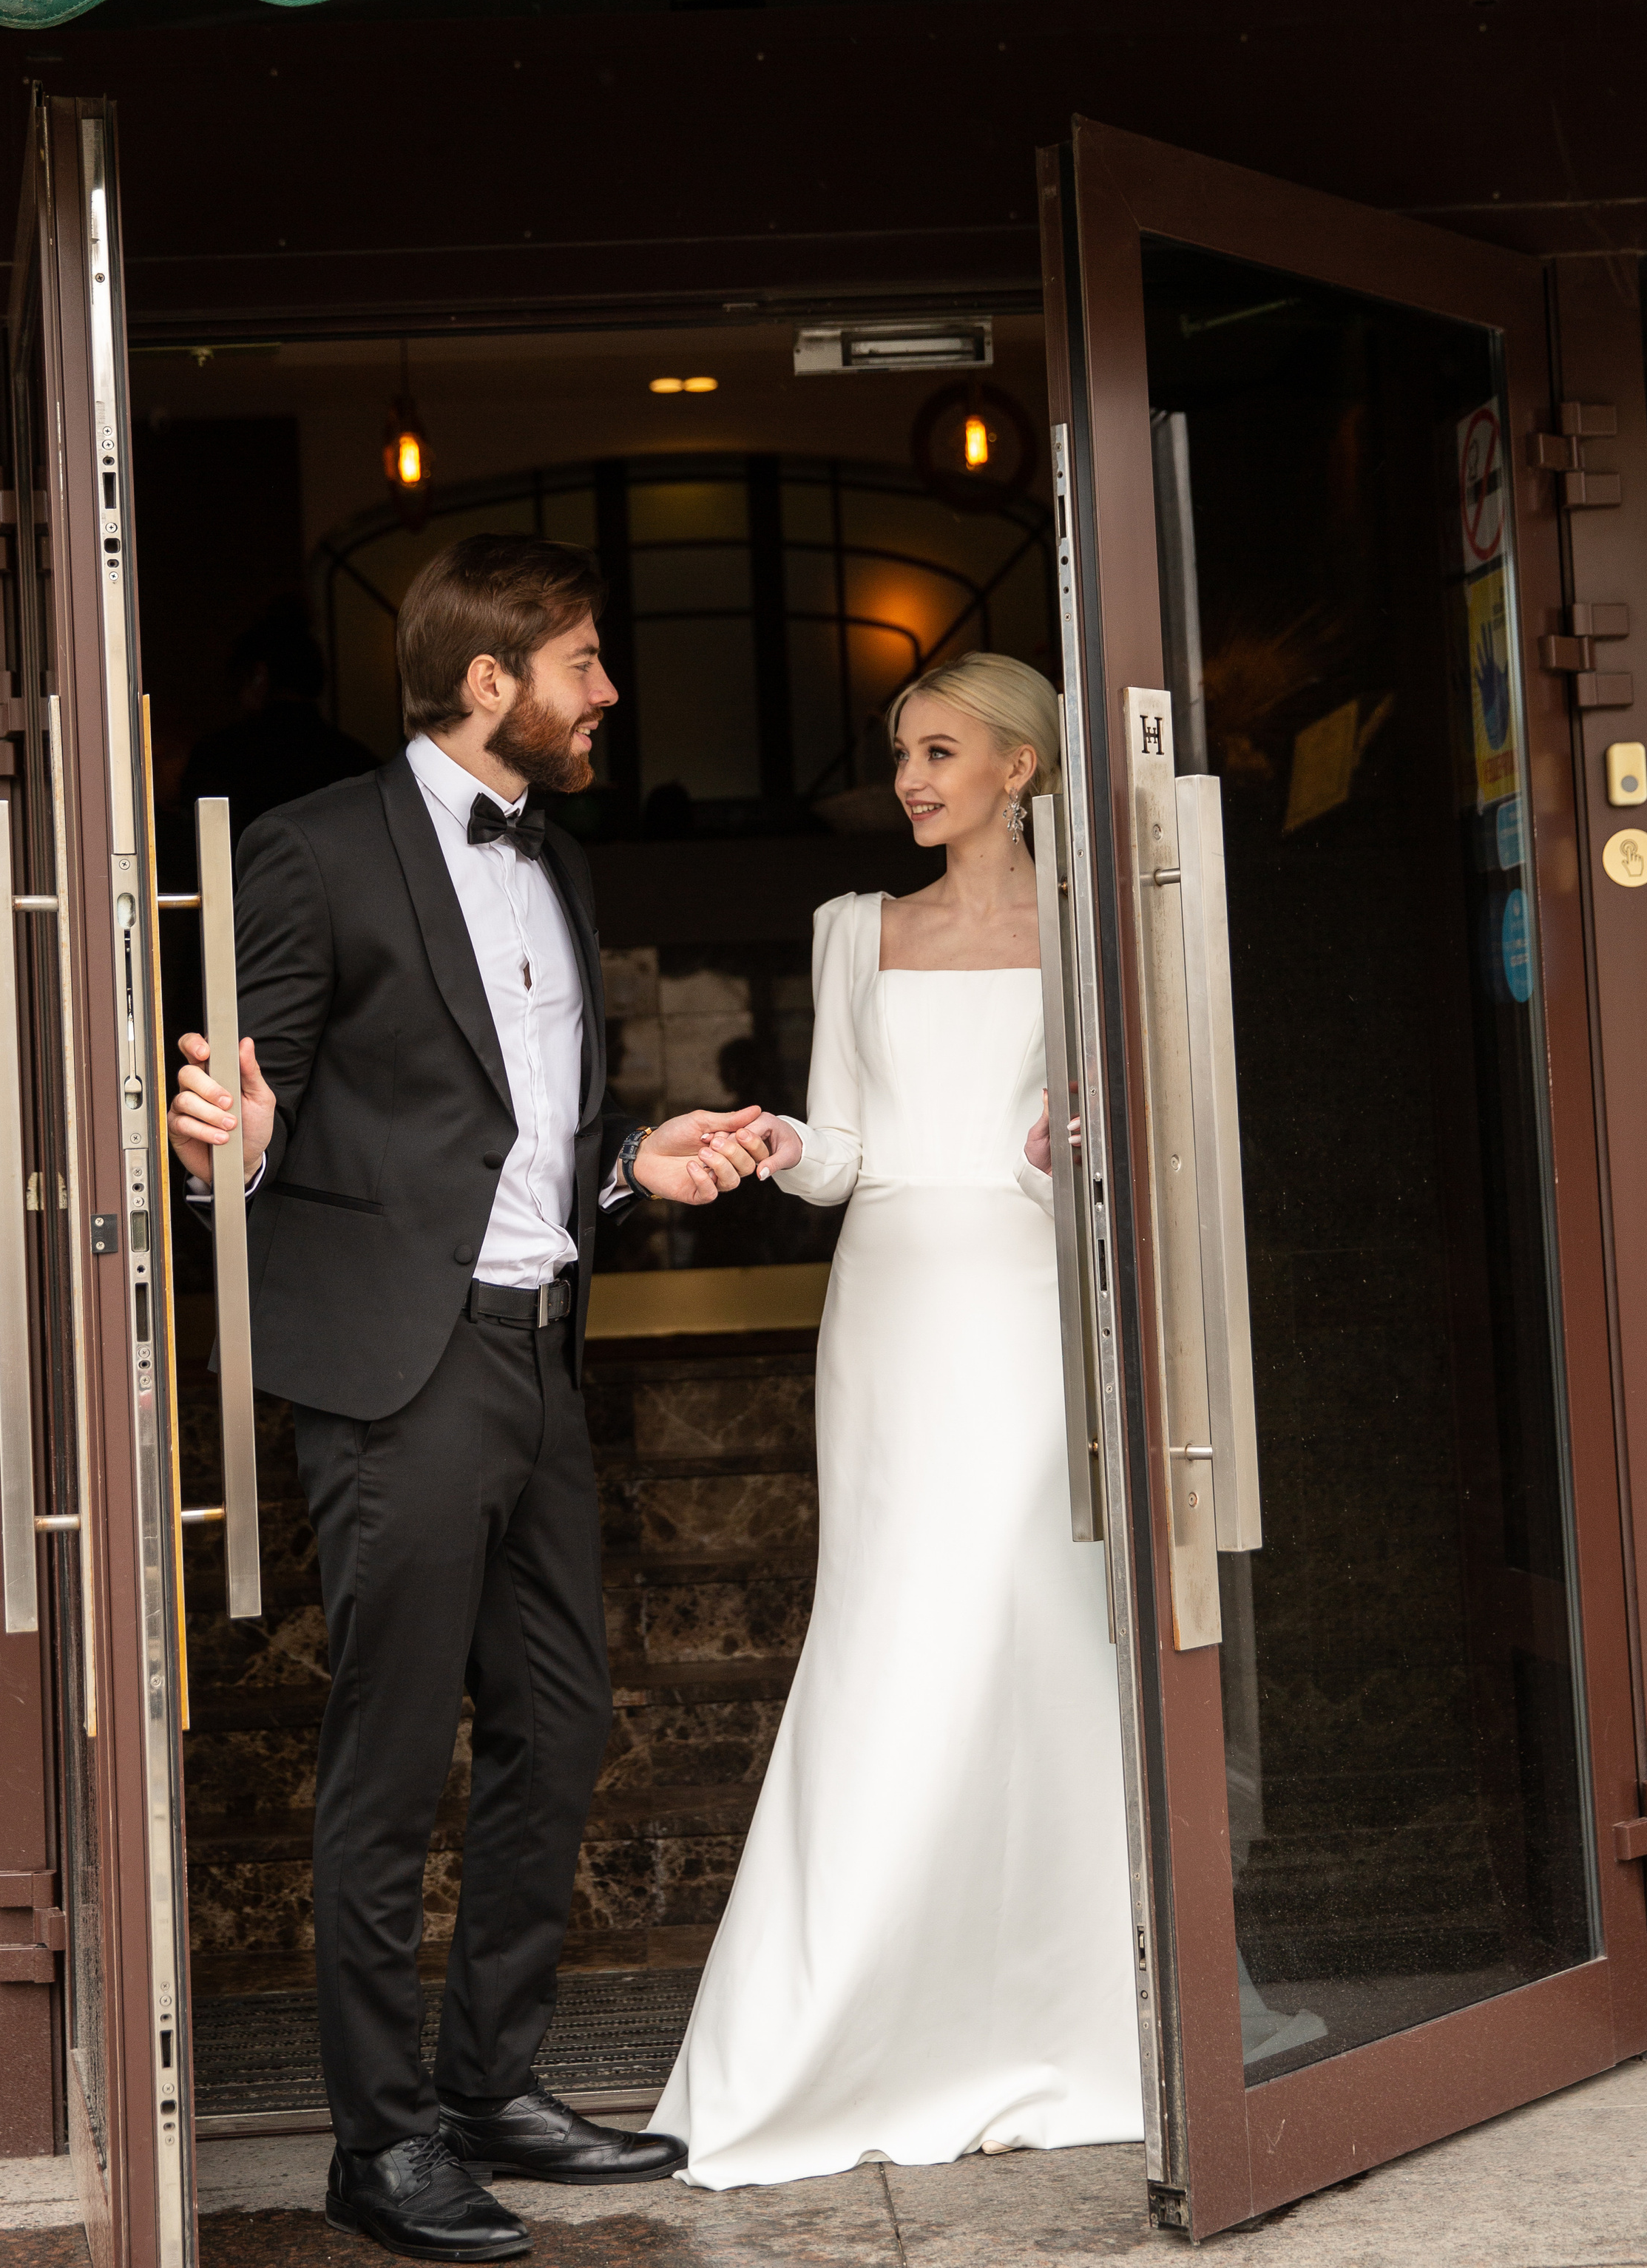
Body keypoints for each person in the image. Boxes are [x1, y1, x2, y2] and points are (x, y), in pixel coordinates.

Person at [168, 535, 771, 2264]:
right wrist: (233, 1132)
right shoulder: (312, 850)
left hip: (534, 1344)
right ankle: (378, 2145)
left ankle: (490, 2080)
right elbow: (253, 1087)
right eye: (581, 661)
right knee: (385, 1756)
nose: (604, 694)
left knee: (562, 1718)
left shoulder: (559, 866)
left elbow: (535, 1146)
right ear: (488, 680)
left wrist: (631, 1163)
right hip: (395, 1366)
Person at [649, 651, 1144, 2188]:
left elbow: (1117, 1137)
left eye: (940, 752)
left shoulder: (1085, 926)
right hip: (892, 1306)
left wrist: (1076, 1144)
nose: (911, 779)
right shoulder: (852, 929)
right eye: (901, 753)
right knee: (894, 1628)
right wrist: (773, 1138)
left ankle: (1077, 2014)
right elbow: (840, 1152)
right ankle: (830, 2028)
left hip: (1027, 1298)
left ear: (1020, 769)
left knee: (1035, 1617)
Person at [178, 598, 377, 844]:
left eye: (237, 682)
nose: (235, 697)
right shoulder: (357, 762)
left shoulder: (220, 757)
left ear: (259, 676)